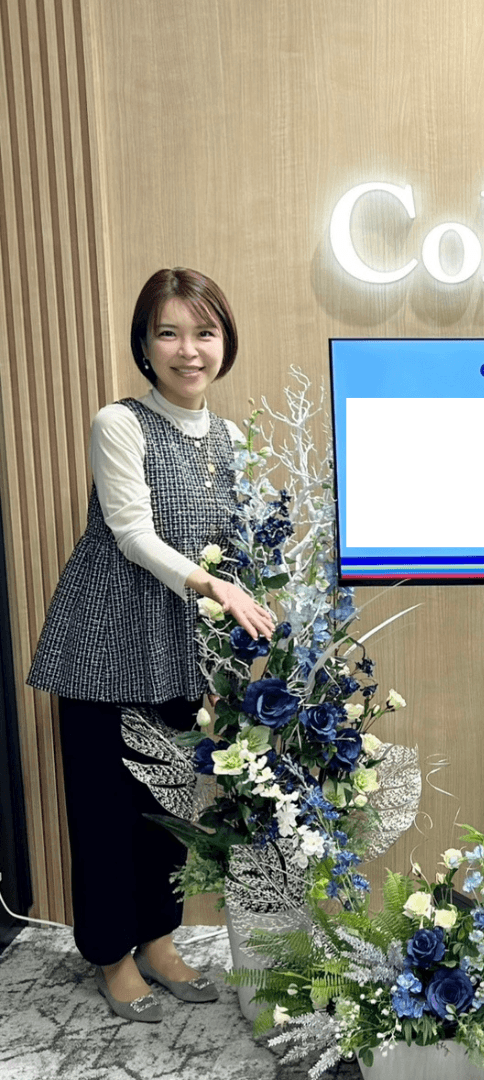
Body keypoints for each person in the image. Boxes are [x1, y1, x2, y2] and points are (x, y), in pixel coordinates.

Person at [28, 268, 276, 1022]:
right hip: (104, 645)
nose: (188, 350)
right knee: (105, 812)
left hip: (179, 650)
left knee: (168, 806)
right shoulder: (120, 423)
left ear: (225, 342)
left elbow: (244, 543)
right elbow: (133, 533)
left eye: (204, 332)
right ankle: (112, 954)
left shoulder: (234, 439)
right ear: (144, 344)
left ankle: (158, 940)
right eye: (169, 332)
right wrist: (216, 587)